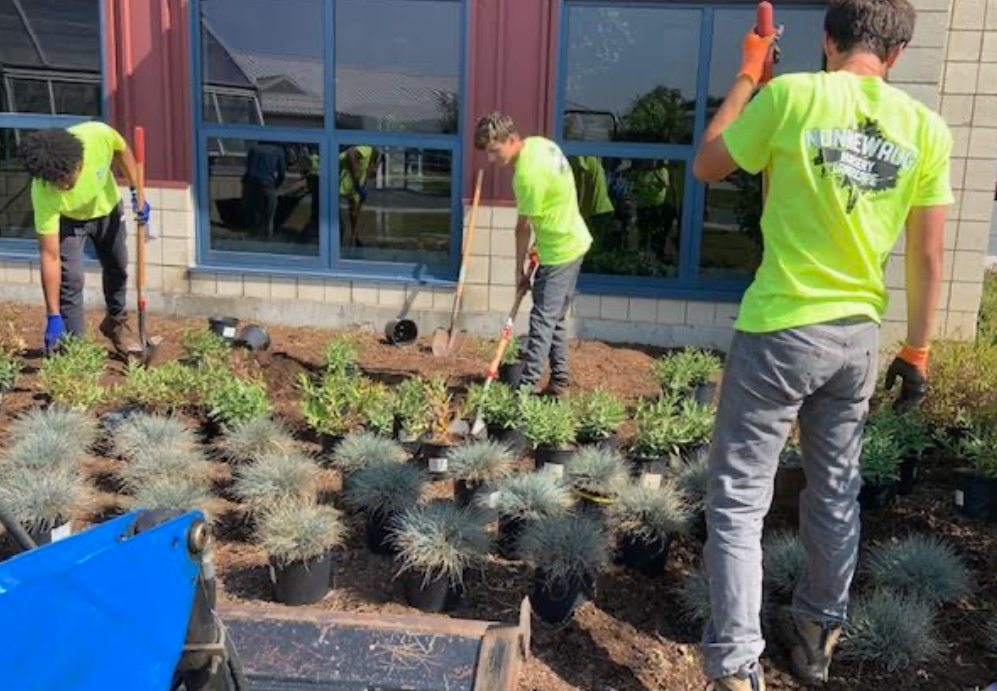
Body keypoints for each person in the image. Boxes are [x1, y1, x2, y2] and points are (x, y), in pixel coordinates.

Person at [691, 0, 951, 688]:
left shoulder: (790, 94)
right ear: (894, 56)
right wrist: (916, 352)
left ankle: (735, 665)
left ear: (827, 40)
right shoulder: (924, 128)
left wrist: (749, 73)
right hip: (854, 342)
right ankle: (814, 636)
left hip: (779, 328)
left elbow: (708, 165)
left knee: (740, 500)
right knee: (834, 493)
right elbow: (928, 258)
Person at [475, 113, 592, 396]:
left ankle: (524, 390)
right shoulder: (541, 144)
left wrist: (519, 272)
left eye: (494, 150)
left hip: (559, 251)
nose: (491, 159)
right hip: (573, 240)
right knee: (554, 319)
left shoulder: (526, 175)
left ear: (511, 139)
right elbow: (556, 197)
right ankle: (560, 381)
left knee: (541, 321)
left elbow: (522, 229)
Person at [19, 123, 150, 355]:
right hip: (69, 222)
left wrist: (135, 191)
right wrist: (53, 314)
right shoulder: (43, 190)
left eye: (68, 180)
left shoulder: (97, 136)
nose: (65, 187)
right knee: (71, 280)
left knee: (118, 267)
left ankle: (116, 324)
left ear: (79, 162)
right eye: (58, 184)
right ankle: (75, 348)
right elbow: (50, 256)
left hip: (107, 210)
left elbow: (122, 150)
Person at [242, 142, 286, 239]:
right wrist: (275, 186)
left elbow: (248, 168)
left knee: (251, 219)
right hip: (267, 186)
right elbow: (282, 174)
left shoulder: (253, 149)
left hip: (249, 186)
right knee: (268, 220)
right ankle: (266, 244)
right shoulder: (278, 150)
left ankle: (251, 242)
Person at [339, 145, 379, 248]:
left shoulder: (363, 181)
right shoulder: (370, 151)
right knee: (337, 227)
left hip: (336, 190)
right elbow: (351, 152)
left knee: (341, 226)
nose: (373, 175)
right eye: (374, 172)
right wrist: (356, 173)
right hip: (326, 170)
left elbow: (354, 212)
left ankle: (353, 240)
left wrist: (354, 236)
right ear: (375, 164)